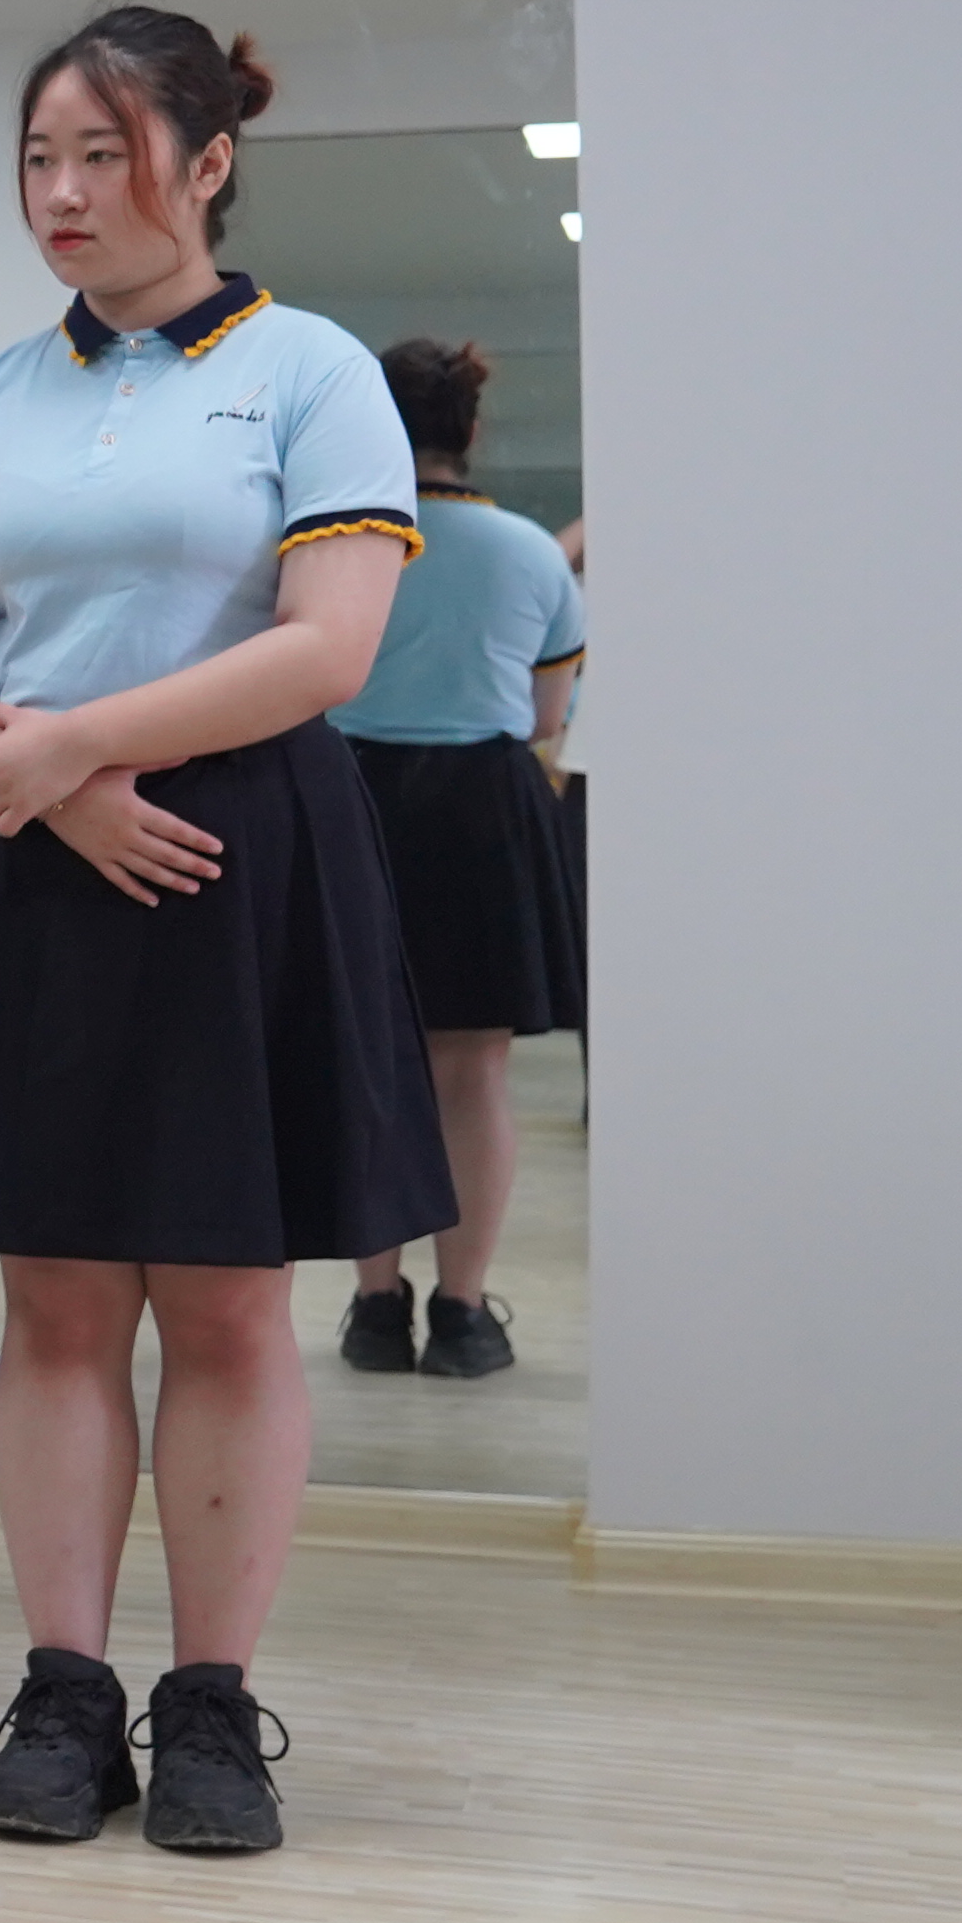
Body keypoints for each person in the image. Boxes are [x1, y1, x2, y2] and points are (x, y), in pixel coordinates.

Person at [0, 7, 442, 1858]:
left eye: (103, 155)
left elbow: (329, 645)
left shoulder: (311, 372)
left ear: (208, 164)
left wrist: (86, 748)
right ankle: (63, 1693)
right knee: (53, 1304)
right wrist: (44, 783)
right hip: (24, 852)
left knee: (226, 1303)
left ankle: (208, 1707)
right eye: (40, 158)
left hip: (230, 857)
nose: (63, 193)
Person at [328, 337, 588, 1380]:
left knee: (370, 1060)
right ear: (470, 429)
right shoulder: (530, 550)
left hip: (353, 800)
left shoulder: (335, 547)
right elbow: (548, 714)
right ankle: (464, 1311)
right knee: (475, 1072)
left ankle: (374, 1306)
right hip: (484, 808)